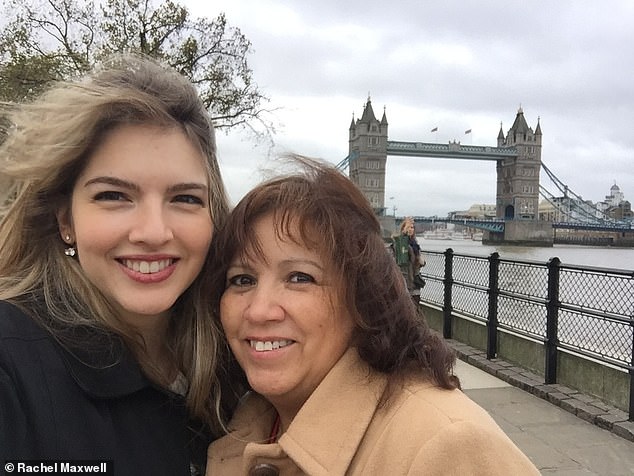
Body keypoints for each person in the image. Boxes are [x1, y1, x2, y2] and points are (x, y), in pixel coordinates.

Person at [204, 157, 540, 475]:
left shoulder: (448, 447)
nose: (259, 310)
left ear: (361, 297)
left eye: (299, 278)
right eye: (242, 280)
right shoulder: (246, 421)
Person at [0, 54, 245, 475]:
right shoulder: (11, 368)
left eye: (185, 198)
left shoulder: (241, 356)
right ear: (65, 220)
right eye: (114, 196)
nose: (153, 232)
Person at [392, 216, 426, 294]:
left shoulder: (415, 244)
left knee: (415, 302)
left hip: (414, 280)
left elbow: (418, 262)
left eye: (412, 227)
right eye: (408, 227)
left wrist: (422, 262)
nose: (411, 229)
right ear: (403, 229)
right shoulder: (400, 243)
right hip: (404, 280)